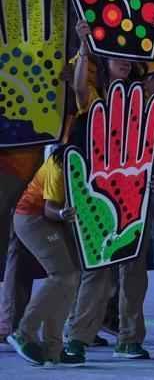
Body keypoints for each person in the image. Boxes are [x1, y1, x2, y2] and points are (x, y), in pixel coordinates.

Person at [65, 19, 154, 362]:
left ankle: (130, 338)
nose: (124, 61)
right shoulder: (94, 95)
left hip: (135, 191)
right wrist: (84, 45)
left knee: (134, 272)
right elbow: (80, 88)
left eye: (128, 56)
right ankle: (78, 337)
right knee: (96, 270)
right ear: (104, 59)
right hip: (96, 193)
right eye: (116, 56)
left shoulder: (141, 90)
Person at [7, 121, 86, 367]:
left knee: (71, 278)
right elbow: (50, 209)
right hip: (32, 218)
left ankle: (53, 348)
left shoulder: (93, 161)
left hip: (55, 222)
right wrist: (64, 214)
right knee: (62, 275)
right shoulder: (58, 163)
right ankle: (24, 333)